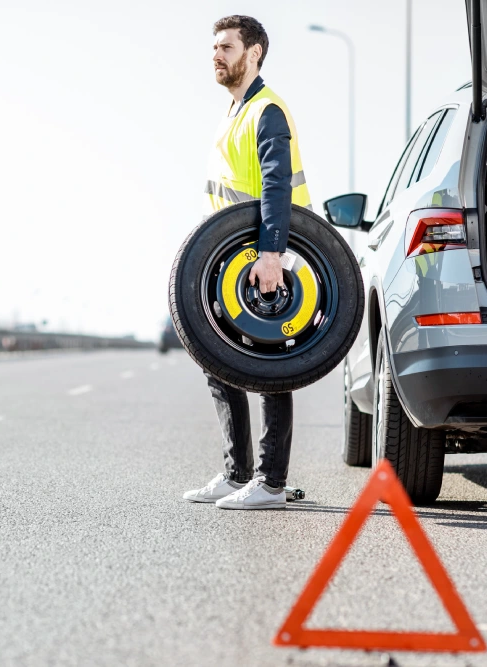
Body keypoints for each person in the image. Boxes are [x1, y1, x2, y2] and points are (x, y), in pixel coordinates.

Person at [183, 15, 312, 510]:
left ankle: (271, 483)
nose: (216, 55)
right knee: (220, 363)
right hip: (228, 260)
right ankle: (237, 474)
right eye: (214, 47)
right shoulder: (233, 111)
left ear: (253, 53)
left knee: (267, 366)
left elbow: (278, 184)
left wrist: (272, 254)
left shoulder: (267, 111)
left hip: (267, 261)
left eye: (226, 47)